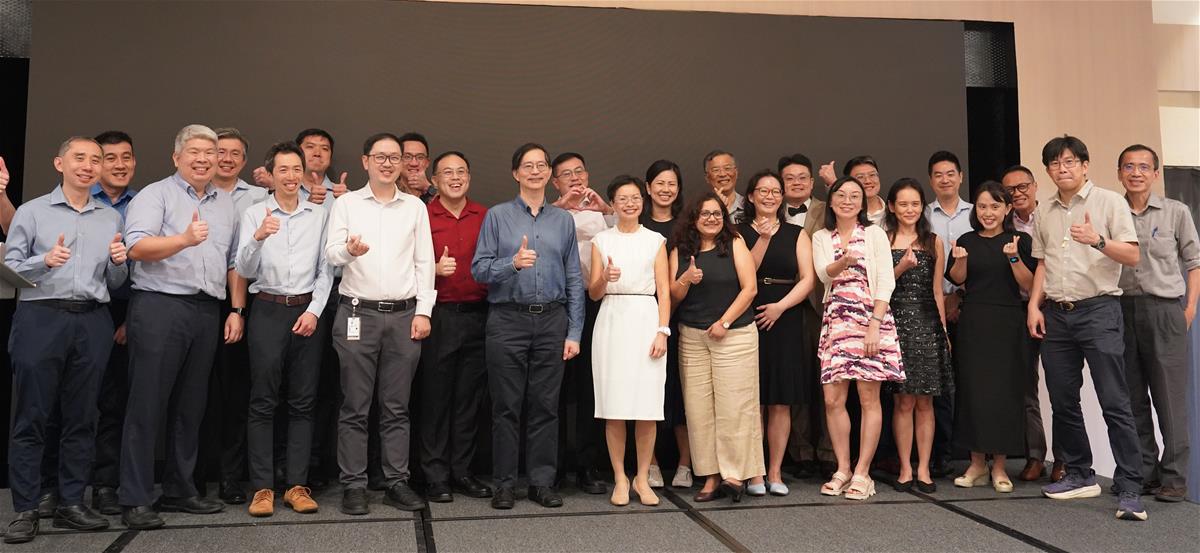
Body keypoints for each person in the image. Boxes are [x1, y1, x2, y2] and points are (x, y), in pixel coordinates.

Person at [2, 137, 128, 544]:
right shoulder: (32, 212)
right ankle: (26, 508)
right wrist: (45, 261)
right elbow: (9, 268)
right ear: (60, 163)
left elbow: (113, 282)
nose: (89, 166)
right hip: (41, 316)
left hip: (92, 320)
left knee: (82, 416)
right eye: (80, 158)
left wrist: (118, 265)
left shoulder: (109, 218)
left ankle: (73, 501)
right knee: (32, 417)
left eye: (96, 160)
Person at [120, 124, 243, 529]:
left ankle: (179, 489)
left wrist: (236, 309)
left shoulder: (225, 202)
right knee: (147, 405)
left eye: (210, 151)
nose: (205, 158)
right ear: (176, 157)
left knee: (191, 406)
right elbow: (136, 246)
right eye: (195, 151)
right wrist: (184, 240)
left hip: (206, 309)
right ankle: (136, 497)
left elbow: (231, 262)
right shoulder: (156, 195)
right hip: (159, 306)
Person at [1027, 135, 1146, 521]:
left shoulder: (1109, 201)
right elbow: (1042, 263)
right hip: (1057, 313)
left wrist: (1097, 240)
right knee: (1062, 401)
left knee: (1114, 400)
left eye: (1069, 162)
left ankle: (1130, 486)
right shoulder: (1044, 210)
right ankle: (1079, 473)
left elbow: (1132, 254)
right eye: (1054, 164)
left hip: (1099, 309)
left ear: (1084, 165)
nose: (1062, 169)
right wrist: (1034, 305)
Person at [324, 132, 435, 515]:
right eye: (380, 157)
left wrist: (424, 311)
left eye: (395, 157)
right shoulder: (348, 204)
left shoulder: (415, 207)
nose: (388, 163)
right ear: (365, 161)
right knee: (355, 405)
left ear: (403, 164)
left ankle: (396, 481)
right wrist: (348, 251)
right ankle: (354, 484)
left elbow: (425, 263)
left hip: (405, 316)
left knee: (396, 406)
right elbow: (331, 253)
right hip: (358, 313)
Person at [470, 143, 584, 510]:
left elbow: (573, 279)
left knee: (546, 407)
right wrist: (512, 264)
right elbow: (479, 269)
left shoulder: (563, 220)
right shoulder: (497, 217)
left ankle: (540, 482)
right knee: (506, 406)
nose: (535, 171)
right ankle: (504, 483)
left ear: (550, 174)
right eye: (527, 166)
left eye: (541, 165)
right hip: (507, 320)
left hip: (552, 320)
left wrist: (574, 331)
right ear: (516, 173)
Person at [236, 142, 332, 517]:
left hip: (308, 311)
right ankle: (262, 488)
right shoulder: (254, 212)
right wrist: (258, 237)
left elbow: (327, 271)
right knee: (263, 400)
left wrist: (315, 311)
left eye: (297, 170)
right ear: (270, 175)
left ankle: (296, 485)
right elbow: (243, 268)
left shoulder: (319, 214)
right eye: (284, 171)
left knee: (304, 401)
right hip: (268, 310)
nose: (291, 177)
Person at [811, 176, 904, 501]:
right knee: (833, 400)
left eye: (854, 196)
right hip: (836, 322)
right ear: (831, 200)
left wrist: (876, 324)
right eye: (841, 195)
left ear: (862, 203)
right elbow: (823, 274)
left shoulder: (875, 233)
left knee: (868, 399)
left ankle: (863, 473)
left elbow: (886, 281)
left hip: (869, 321)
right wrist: (843, 262)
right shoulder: (822, 236)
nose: (847, 201)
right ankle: (843, 468)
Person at [1116, 144, 1199, 503]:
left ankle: (1175, 479)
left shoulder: (1175, 212)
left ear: (1154, 173)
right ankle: (1145, 473)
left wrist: (1190, 308)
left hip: (1165, 310)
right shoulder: (1110, 211)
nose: (1136, 172)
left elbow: (1194, 262)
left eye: (1143, 167)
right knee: (1132, 399)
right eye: (1129, 166)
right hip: (1120, 310)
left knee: (1169, 400)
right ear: (1119, 172)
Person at [669, 192, 761, 503]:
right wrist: (685, 279)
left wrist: (724, 322)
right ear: (693, 218)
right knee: (699, 411)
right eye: (705, 213)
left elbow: (750, 289)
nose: (711, 218)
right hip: (693, 338)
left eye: (717, 213)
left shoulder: (734, 244)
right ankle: (709, 476)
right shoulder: (681, 251)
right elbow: (673, 295)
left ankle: (733, 475)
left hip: (733, 335)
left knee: (734, 408)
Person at [946, 181, 1035, 493]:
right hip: (974, 321)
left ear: (1007, 209)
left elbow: (1029, 283)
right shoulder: (967, 240)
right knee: (973, 392)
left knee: (1004, 394)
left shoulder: (1019, 240)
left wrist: (1013, 257)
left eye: (995, 206)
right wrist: (959, 258)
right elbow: (958, 278)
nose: (988, 212)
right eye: (982, 206)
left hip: (1008, 322)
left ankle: (999, 466)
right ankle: (976, 464)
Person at [588, 175, 671, 506]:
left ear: (643, 200)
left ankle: (642, 477)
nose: (630, 203)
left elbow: (664, 290)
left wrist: (662, 330)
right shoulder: (601, 240)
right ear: (613, 203)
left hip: (645, 317)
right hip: (612, 319)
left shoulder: (656, 240)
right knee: (615, 407)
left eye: (635, 197)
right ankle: (620, 478)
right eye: (622, 198)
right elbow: (593, 293)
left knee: (647, 407)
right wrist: (605, 279)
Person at [416, 151, 493, 503]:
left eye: (462, 171)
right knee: (435, 399)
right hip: (439, 315)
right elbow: (405, 264)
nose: (456, 177)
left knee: (468, 400)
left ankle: (461, 472)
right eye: (447, 172)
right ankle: (434, 475)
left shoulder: (486, 215)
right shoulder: (422, 214)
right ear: (434, 180)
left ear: (470, 178)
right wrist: (432, 268)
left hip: (479, 315)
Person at [737, 170, 815, 496]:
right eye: (763, 191)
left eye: (775, 191)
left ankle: (775, 471)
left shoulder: (797, 233)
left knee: (781, 400)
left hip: (784, 314)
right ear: (751, 196)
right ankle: (754, 472)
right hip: (748, 312)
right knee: (753, 399)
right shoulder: (737, 232)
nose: (770, 196)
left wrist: (781, 307)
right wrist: (764, 239)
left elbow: (808, 279)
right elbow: (744, 272)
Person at [196, 127, 263, 505]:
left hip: (242, 301)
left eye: (235, 153)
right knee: (197, 393)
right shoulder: (191, 194)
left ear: (243, 160)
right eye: (220, 151)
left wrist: (238, 309)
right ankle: (193, 477)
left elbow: (243, 259)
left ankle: (230, 477)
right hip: (202, 299)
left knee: (236, 394)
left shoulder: (258, 198)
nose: (226, 158)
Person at [882, 178, 951, 494]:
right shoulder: (883, 239)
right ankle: (905, 468)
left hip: (927, 325)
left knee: (926, 403)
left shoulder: (934, 241)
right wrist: (901, 267)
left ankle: (924, 469)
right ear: (892, 207)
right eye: (903, 203)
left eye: (915, 204)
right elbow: (877, 288)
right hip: (895, 325)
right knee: (902, 403)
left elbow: (938, 290)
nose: (909, 209)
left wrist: (944, 332)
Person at [548, 151, 612, 494]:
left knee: (591, 390)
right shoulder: (546, 214)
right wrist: (562, 207)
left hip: (595, 305)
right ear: (555, 182)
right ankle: (554, 466)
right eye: (566, 174)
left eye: (579, 172)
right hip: (557, 308)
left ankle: (588, 466)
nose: (575, 178)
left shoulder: (603, 213)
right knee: (554, 390)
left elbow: (631, 235)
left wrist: (605, 211)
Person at [88, 131, 139, 515]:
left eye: (126, 157)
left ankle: (105, 484)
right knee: (71, 401)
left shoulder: (144, 204)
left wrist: (130, 320)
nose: (119, 165)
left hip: (127, 310)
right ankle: (55, 487)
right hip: (87, 308)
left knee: (115, 402)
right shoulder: (81, 203)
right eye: (110, 158)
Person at [1001, 165, 1059, 483]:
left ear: (1035, 186)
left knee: (1061, 387)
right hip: (1018, 310)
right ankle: (1035, 456)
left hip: (1054, 309)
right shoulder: (1002, 224)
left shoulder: (1052, 216)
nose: (1018, 193)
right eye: (1010, 189)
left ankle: (1065, 459)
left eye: (1023, 186)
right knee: (1026, 389)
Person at [639, 159, 693, 489]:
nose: (665, 189)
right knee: (649, 392)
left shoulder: (687, 226)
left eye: (671, 183)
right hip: (644, 319)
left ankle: (687, 463)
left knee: (682, 392)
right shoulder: (638, 224)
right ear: (647, 187)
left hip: (684, 317)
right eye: (659, 183)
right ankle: (652, 464)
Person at [780, 154, 834, 478]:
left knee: (826, 381)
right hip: (783, 306)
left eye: (802, 177)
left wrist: (834, 183)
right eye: (790, 178)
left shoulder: (827, 209)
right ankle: (800, 452)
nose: (796, 183)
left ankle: (828, 450)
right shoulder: (769, 212)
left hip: (821, 304)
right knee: (794, 381)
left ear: (812, 182)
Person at [923, 150, 972, 477]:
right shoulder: (921, 214)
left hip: (970, 306)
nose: (945, 179)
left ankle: (971, 453)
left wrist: (959, 298)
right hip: (929, 306)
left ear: (960, 177)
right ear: (931, 180)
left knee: (970, 381)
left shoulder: (977, 212)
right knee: (938, 384)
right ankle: (942, 453)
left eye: (950, 173)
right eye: (938, 174)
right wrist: (943, 301)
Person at [703, 150, 744, 223]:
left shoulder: (750, 206)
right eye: (716, 170)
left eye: (727, 168)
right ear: (707, 177)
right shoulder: (699, 209)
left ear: (736, 173)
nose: (722, 174)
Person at [399, 132, 435, 203]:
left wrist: (427, 188)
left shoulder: (437, 193)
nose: (414, 163)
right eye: (407, 157)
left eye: (420, 157)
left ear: (427, 163)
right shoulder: (388, 191)